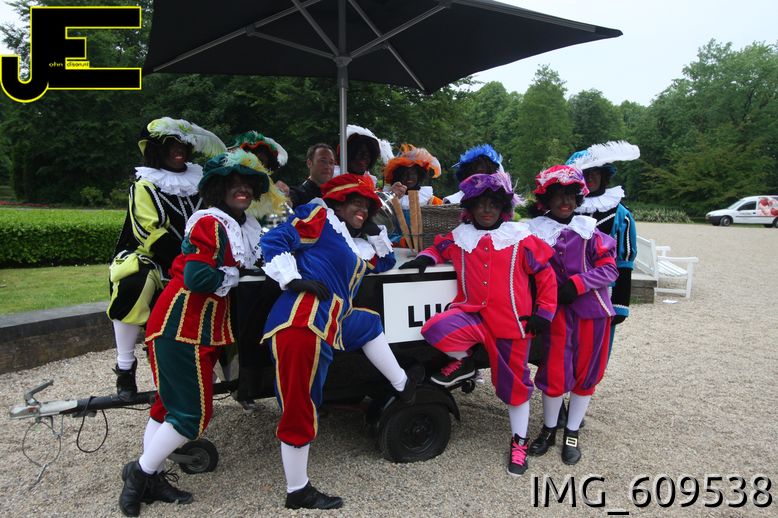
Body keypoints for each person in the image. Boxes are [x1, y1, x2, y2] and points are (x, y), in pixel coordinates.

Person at [118, 149, 270, 516]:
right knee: (191, 415)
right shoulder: (211, 223)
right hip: (182, 328)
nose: (242, 190)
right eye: (234, 184)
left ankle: (152, 476)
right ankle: (140, 473)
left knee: (167, 405)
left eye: (247, 185)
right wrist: (235, 274)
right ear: (218, 189)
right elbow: (198, 277)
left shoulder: (240, 225)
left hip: (194, 330)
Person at [261, 174, 422, 509]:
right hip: (302, 321)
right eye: (355, 203)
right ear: (338, 203)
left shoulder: (351, 243)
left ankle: (402, 384)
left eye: (366, 206)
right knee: (301, 404)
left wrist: (375, 233)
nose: (361, 209)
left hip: (332, 320)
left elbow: (383, 262)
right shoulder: (320, 218)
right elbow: (275, 239)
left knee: (368, 322)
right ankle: (297, 490)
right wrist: (293, 279)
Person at [399, 171, 557, 476]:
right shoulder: (461, 237)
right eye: (481, 204)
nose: (487, 209)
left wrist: (545, 312)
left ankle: (519, 442)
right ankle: (467, 363)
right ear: (470, 208)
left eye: (493, 204)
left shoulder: (520, 238)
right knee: (435, 329)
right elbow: (438, 247)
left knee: (514, 387)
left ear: (503, 207)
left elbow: (546, 276)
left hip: (512, 324)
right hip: (472, 316)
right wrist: (425, 259)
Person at [107, 117, 225, 402]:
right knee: (133, 283)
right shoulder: (145, 185)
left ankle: (210, 363)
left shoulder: (201, 181)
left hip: (197, 256)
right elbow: (150, 233)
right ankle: (125, 366)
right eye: (171, 144)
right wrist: (188, 262)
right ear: (155, 150)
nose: (178, 149)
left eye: (182, 144)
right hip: (152, 256)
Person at [526, 165, 618, 466]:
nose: (564, 201)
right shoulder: (533, 232)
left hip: (592, 313)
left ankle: (572, 432)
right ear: (546, 199)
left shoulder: (590, 230)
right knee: (554, 372)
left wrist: (578, 284)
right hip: (554, 315)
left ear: (578, 198)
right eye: (557, 195)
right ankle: (549, 429)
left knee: (585, 373)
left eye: (570, 195)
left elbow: (610, 270)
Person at [566, 140, 639, 356]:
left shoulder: (620, 214)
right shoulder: (564, 207)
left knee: (594, 352)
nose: (590, 177)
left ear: (604, 175)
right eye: (585, 172)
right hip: (566, 291)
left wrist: (620, 305)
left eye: (595, 172)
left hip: (603, 293)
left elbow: (624, 262)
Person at [382, 144, 443, 245]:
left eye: (413, 172)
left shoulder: (432, 201)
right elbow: (382, 229)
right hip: (395, 249)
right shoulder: (388, 199)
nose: (409, 176)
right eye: (405, 173)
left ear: (419, 174)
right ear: (398, 175)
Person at [288, 143, 336, 208]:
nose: (328, 166)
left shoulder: (337, 198)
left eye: (331, 162)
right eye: (323, 161)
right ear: (309, 163)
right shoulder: (296, 195)